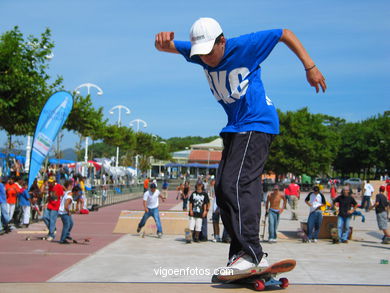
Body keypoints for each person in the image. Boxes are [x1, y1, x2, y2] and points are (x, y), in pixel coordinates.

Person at [155, 17, 326, 273]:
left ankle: (253, 254)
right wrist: (162, 42)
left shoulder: (246, 45)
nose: (206, 59)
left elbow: (285, 33)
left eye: (210, 52)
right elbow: (166, 47)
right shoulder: (198, 53)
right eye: (200, 55)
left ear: (222, 41)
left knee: (235, 183)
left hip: (256, 124)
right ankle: (241, 256)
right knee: (223, 189)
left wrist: (309, 66)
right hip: (235, 128)